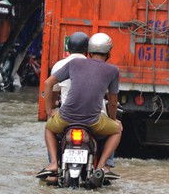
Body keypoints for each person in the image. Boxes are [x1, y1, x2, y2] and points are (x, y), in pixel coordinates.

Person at [37, 33, 122, 180]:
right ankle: (102, 166)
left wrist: (50, 112)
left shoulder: (74, 64)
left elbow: (47, 83)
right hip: (93, 121)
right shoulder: (113, 70)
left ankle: (52, 164)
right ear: (108, 52)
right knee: (117, 130)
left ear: (89, 51)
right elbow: (113, 102)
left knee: (49, 128)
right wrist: (114, 119)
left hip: (65, 118)